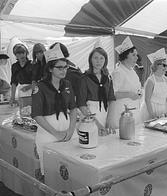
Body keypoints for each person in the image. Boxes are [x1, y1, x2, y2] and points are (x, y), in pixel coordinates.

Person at [31, 44, 77, 174]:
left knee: (69, 172)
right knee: (51, 174)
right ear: (50, 69)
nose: (64, 70)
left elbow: (73, 108)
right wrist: (55, 133)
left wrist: (71, 129)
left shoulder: (67, 84)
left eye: (65, 67)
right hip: (48, 136)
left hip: (68, 133)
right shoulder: (40, 87)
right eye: (59, 67)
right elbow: (37, 115)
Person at [77, 47, 116, 133]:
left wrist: (109, 119)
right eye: (95, 58)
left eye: (102, 58)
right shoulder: (84, 78)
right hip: (89, 116)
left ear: (105, 60)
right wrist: (96, 124)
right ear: (90, 60)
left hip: (105, 114)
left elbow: (111, 99)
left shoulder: (108, 78)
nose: (99, 61)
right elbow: (81, 104)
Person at [106, 37, 142, 128]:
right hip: (121, 113)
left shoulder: (132, 71)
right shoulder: (118, 72)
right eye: (133, 55)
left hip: (133, 111)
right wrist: (129, 94)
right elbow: (112, 94)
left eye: (136, 55)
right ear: (126, 56)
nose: (136, 58)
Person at [140, 48, 167, 121]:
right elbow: (147, 100)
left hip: (162, 108)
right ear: (157, 65)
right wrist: (152, 116)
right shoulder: (150, 80)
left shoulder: (165, 79)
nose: (165, 68)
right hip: (150, 110)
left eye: (166, 65)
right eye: (163, 65)